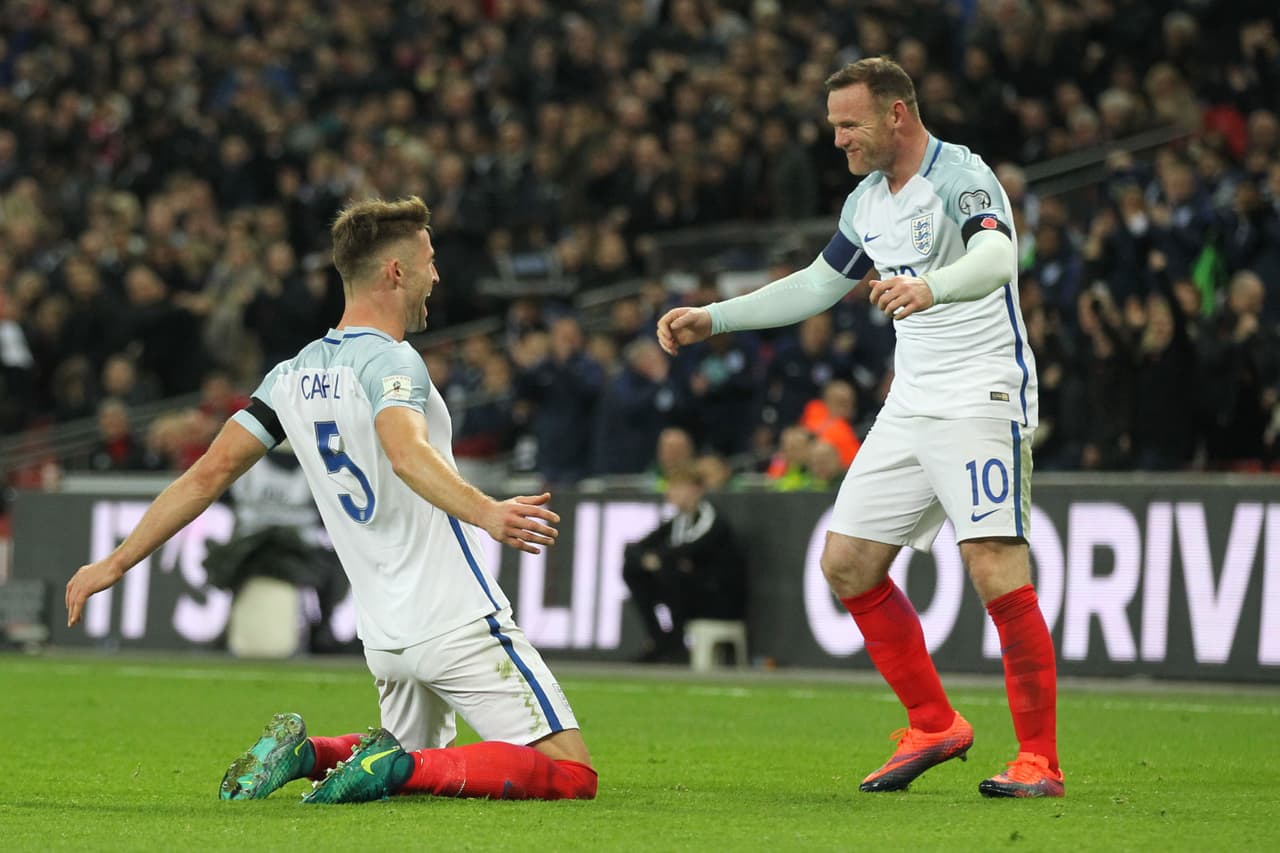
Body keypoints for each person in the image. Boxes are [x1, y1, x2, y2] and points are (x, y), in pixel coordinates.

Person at [66, 196, 596, 805]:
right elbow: (405, 452)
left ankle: (310, 753)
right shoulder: (393, 361)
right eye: (428, 261)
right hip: (453, 614)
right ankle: (390, 767)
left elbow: (205, 476)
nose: (436, 276)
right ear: (395, 271)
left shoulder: (290, 374)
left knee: (417, 760)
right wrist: (489, 512)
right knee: (570, 774)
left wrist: (115, 562)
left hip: (385, 633)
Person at [657, 58, 1060, 798]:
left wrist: (932, 286)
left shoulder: (960, 175)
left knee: (994, 565)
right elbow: (819, 283)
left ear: (896, 114)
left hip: (981, 393)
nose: (839, 139)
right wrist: (716, 316)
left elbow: (1000, 255)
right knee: (846, 563)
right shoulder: (867, 200)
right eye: (835, 125)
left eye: (850, 124)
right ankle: (934, 724)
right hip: (912, 401)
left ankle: (1039, 759)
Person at [621, 464, 747, 663]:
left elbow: (690, 549)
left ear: (696, 490)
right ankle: (659, 638)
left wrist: (661, 559)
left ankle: (676, 642)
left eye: (676, 487)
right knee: (633, 570)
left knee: (667, 571)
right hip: (690, 590)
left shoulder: (711, 520)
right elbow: (634, 549)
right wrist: (651, 559)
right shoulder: (678, 521)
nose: (670, 492)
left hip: (717, 598)